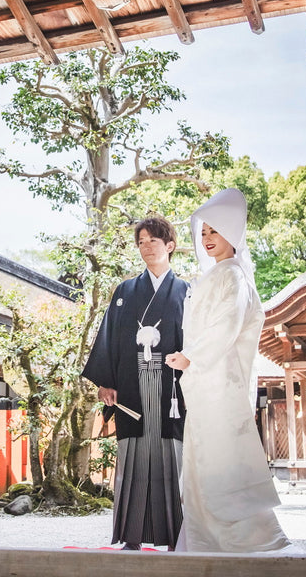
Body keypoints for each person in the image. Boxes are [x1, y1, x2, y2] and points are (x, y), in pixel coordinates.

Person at [165, 188, 289, 553]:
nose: (207, 240)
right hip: (206, 384)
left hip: (220, 382)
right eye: (203, 233)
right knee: (204, 458)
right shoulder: (217, 275)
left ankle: (248, 539)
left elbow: (225, 324)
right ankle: (204, 540)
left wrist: (191, 356)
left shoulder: (233, 276)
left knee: (222, 458)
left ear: (232, 234)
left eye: (214, 232)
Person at [82, 216, 188, 550]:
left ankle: (175, 536)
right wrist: (106, 381)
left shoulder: (186, 291)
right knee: (134, 455)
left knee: (172, 454)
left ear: (169, 246)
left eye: (153, 241)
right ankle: (131, 536)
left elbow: (198, 338)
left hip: (173, 386)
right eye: (141, 242)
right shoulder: (125, 291)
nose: (146, 247)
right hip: (131, 382)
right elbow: (109, 337)